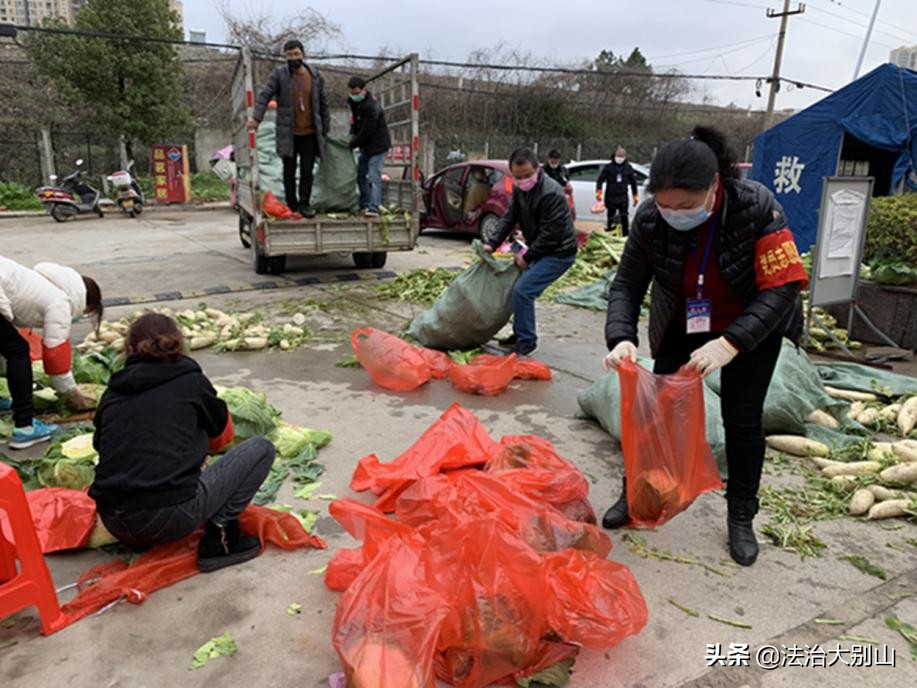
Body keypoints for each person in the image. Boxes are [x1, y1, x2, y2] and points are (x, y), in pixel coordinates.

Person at [600, 126, 808, 567]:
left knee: (743, 420)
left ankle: (740, 515)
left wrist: (732, 343)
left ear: (714, 186)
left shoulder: (757, 207)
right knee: (655, 413)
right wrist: (620, 337)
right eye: (666, 204)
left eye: (687, 206)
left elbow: (782, 288)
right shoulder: (651, 219)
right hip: (684, 321)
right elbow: (628, 284)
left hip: (751, 327)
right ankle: (637, 494)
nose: (675, 213)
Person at [89, 314, 276, 571]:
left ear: (129, 349)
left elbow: (101, 446)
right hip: (172, 518)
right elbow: (222, 440)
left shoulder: (113, 392)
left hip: (114, 521)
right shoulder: (191, 382)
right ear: (178, 343)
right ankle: (220, 538)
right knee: (261, 448)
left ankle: (145, 538)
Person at [482, 148, 578, 357]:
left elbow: (551, 235)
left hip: (559, 252)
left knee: (524, 290)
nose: (524, 180)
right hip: (542, 248)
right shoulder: (519, 189)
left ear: (537, 169)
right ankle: (519, 333)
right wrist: (492, 242)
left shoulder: (551, 192)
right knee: (516, 289)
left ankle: (527, 341)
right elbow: (510, 216)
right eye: (518, 177)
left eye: (527, 175)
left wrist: (527, 256)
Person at [0, 256, 102, 449]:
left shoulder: (42, 285)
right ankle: (25, 427)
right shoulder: (60, 301)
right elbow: (56, 359)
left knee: (7, 345)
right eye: (88, 311)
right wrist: (72, 393)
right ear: (85, 302)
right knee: (18, 351)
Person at [248, 39, 330, 218]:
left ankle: (304, 205)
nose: (293, 58)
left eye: (296, 54)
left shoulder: (315, 76)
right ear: (285, 57)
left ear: (303, 54)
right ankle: (292, 205)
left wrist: (325, 129)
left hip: (310, 133)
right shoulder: (279, 75)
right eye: (289, 55)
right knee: (289, 172)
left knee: (307, 171)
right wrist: (256, 118)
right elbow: (265, 95)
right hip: (289, 133)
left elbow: (322, 103)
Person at [347, 75, 392, 219]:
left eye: (357, 93)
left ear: (364, 90)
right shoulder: (356, 103)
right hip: (367, 147)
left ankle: (374, 207)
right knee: (361, 174)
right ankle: (365, 204)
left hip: (378, 146)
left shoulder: (371, 106)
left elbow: (367, 130)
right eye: (352, 93)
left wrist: (353, 143)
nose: (354, 96)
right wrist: (351, 135)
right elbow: (356, 123)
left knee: (374, 176)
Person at [596, 146, 639, 236]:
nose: (619, 158)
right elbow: (600, 180)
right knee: (611, 216)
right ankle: (610, 232)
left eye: (621, 156)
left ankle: (625, 235)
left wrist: (635, 195)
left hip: (623, 196)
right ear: (614, 155)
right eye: (618, 156)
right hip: (611, 195)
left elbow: (633, 183)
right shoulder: (609, 167)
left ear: (625, 157)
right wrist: (598, 191)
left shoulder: (628, 168)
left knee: (624, 216)